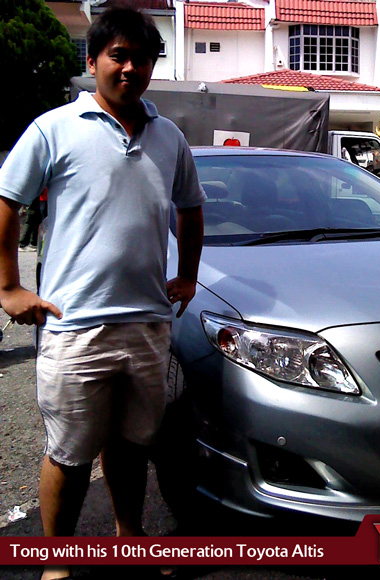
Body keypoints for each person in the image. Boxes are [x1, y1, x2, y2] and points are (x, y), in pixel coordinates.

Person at [0, 7, 205, 580]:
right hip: (74, 324)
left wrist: (187, 275)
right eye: (117, 55)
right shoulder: (53, 128)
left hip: (147, 323)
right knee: (68, 451)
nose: (130, 67)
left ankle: (128, 539)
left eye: (141, 58)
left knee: (133, 444)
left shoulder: (170, 138)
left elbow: (191, 209)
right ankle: (57, 563)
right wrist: (9, 287)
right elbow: (7, 201)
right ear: (92, 62)